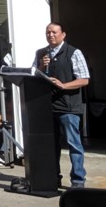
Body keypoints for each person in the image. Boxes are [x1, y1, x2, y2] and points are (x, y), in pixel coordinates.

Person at [35, 21, 90, 189]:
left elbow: (84, 79)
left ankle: (78, 180)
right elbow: (33, 76)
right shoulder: (41, 53)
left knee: (74, 144)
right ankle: (53, 177)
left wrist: (64, 85)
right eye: (47, 33)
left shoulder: (73, 52)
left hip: (68, 107)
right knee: (51, 146)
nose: (50, 35)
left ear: (63, 34)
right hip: (48, 107)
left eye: (54, 32)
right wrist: (41, 66)